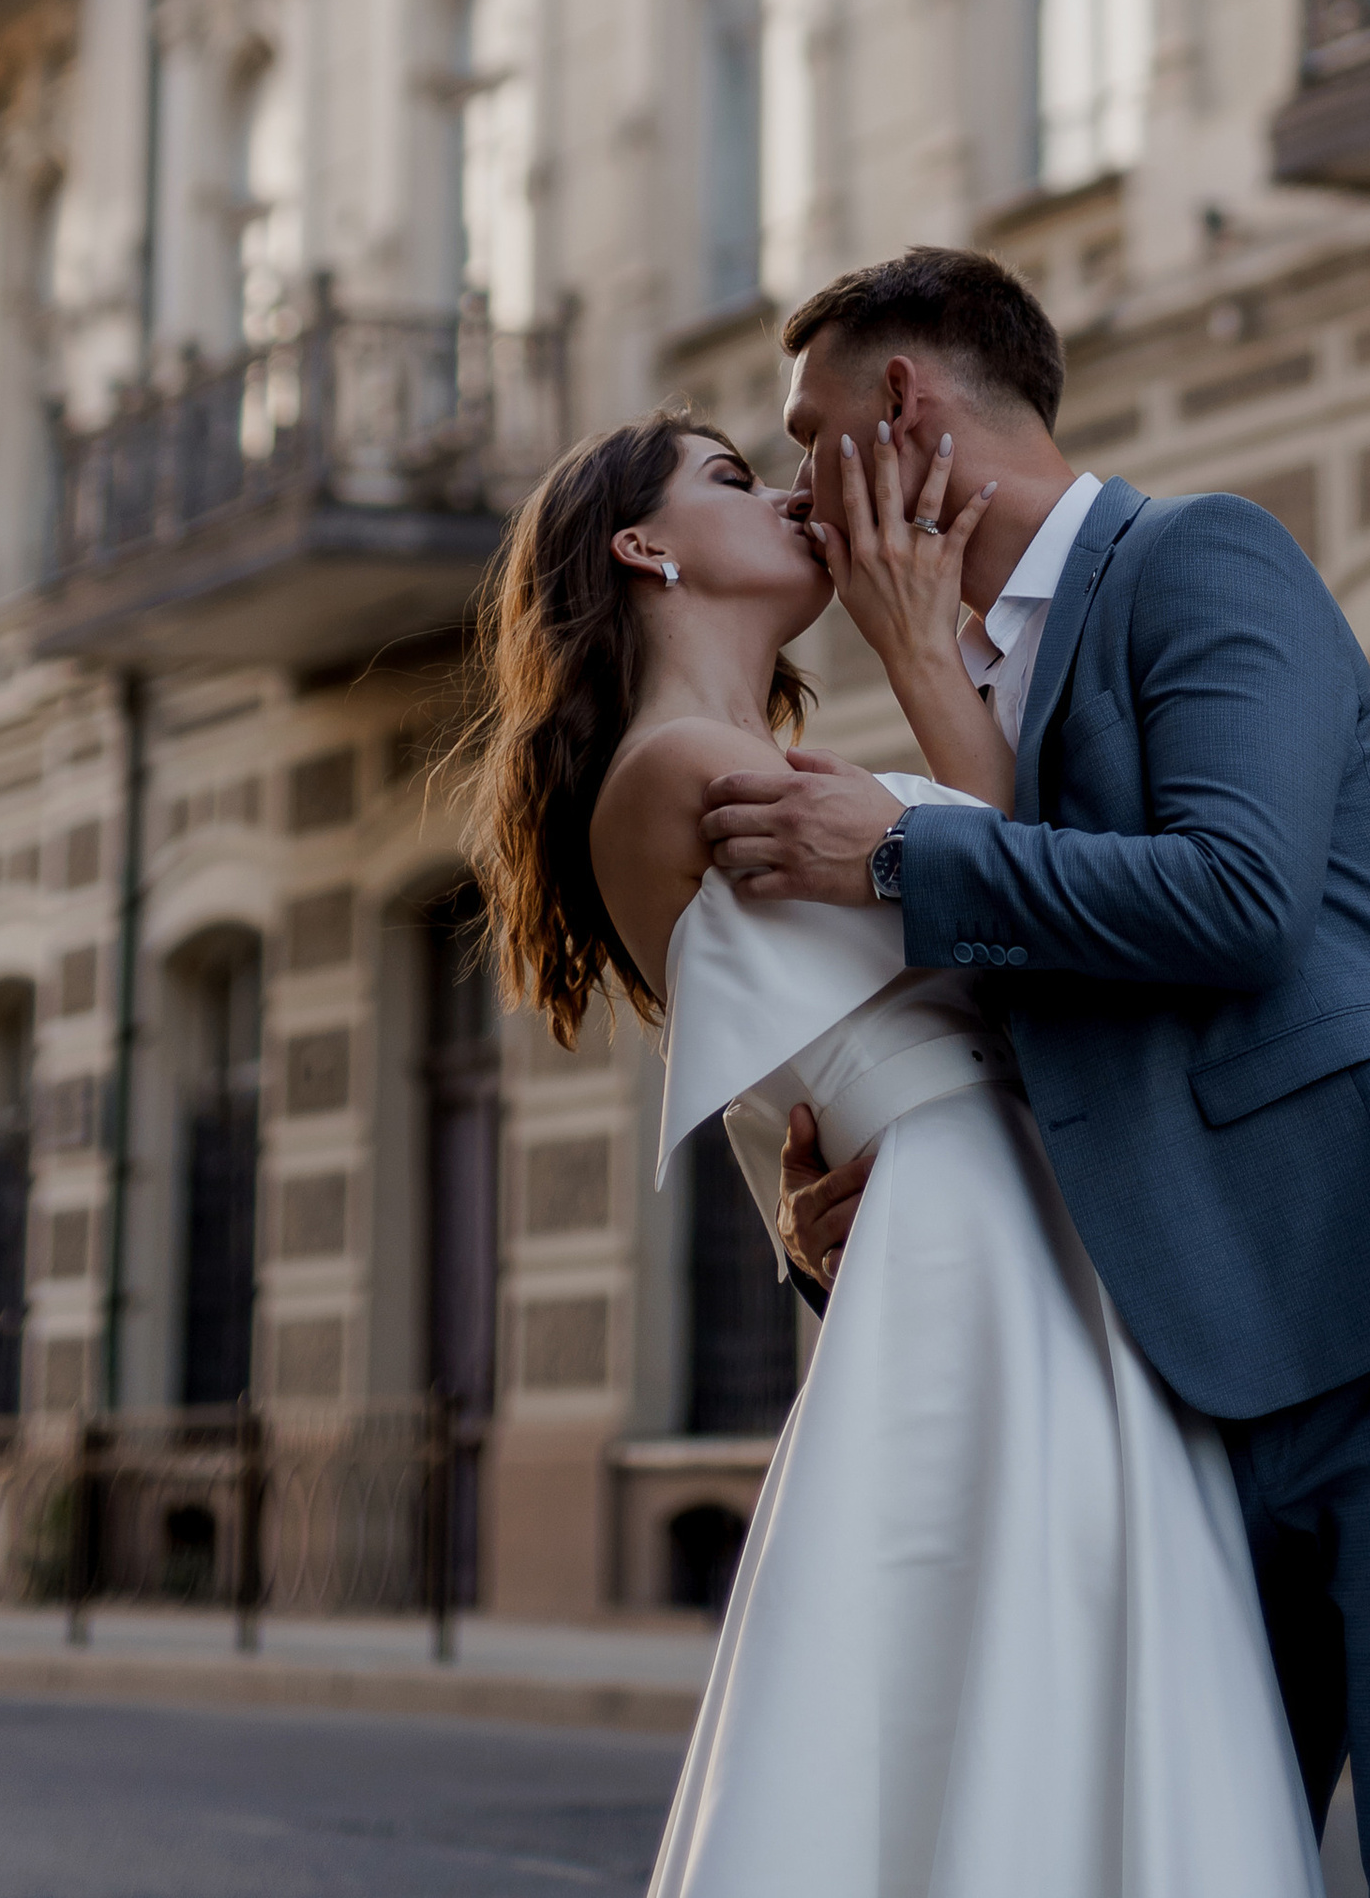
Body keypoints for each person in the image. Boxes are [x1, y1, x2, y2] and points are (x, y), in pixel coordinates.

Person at [703, 246, 1370, 1898]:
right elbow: (1040, 1032)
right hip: (1183, 1391)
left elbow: (1239, 899)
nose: (797, 499)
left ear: (905, 409)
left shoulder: (1202, 559)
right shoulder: (960, 687)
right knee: (1172, 1854)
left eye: (805, 442)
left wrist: (905, 851)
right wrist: (855, 1192)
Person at [465, 406, 1321, 1898]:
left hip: (1011, 1213)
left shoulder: (781, 772)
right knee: (1012, 1628)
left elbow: (1001, 887)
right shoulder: (686, 775)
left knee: (1055, 1629)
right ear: (643, 543)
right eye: (736, 477)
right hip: (972, 1224)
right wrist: (925, 636)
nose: (798, 491)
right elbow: (1040, 906)